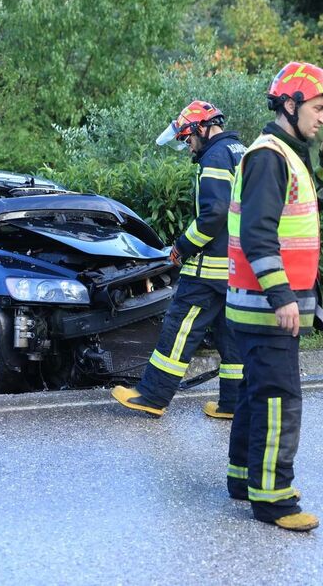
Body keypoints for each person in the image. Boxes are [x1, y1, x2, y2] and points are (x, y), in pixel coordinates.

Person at [225, 61, 323, 532]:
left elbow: (311, 210)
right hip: (267, 308)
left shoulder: (285, 154)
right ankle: (274, 499)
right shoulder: (269, 156)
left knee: (257, 396)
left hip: (259, 306)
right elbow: (258, 235)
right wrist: (283, 298)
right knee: (279, 399)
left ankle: (243, 480)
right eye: (317, 108)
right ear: (290, 105)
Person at [112, 101, 246, 418]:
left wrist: (182, 247)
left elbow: (214, 214)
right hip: (237, 267)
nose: (188, 148)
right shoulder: (240, 151)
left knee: (178, 327)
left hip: (209, 269)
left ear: (201, 128)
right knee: (231, 337)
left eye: (187, 139)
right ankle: (233, 404)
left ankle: (152, 396)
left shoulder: (214, 156)